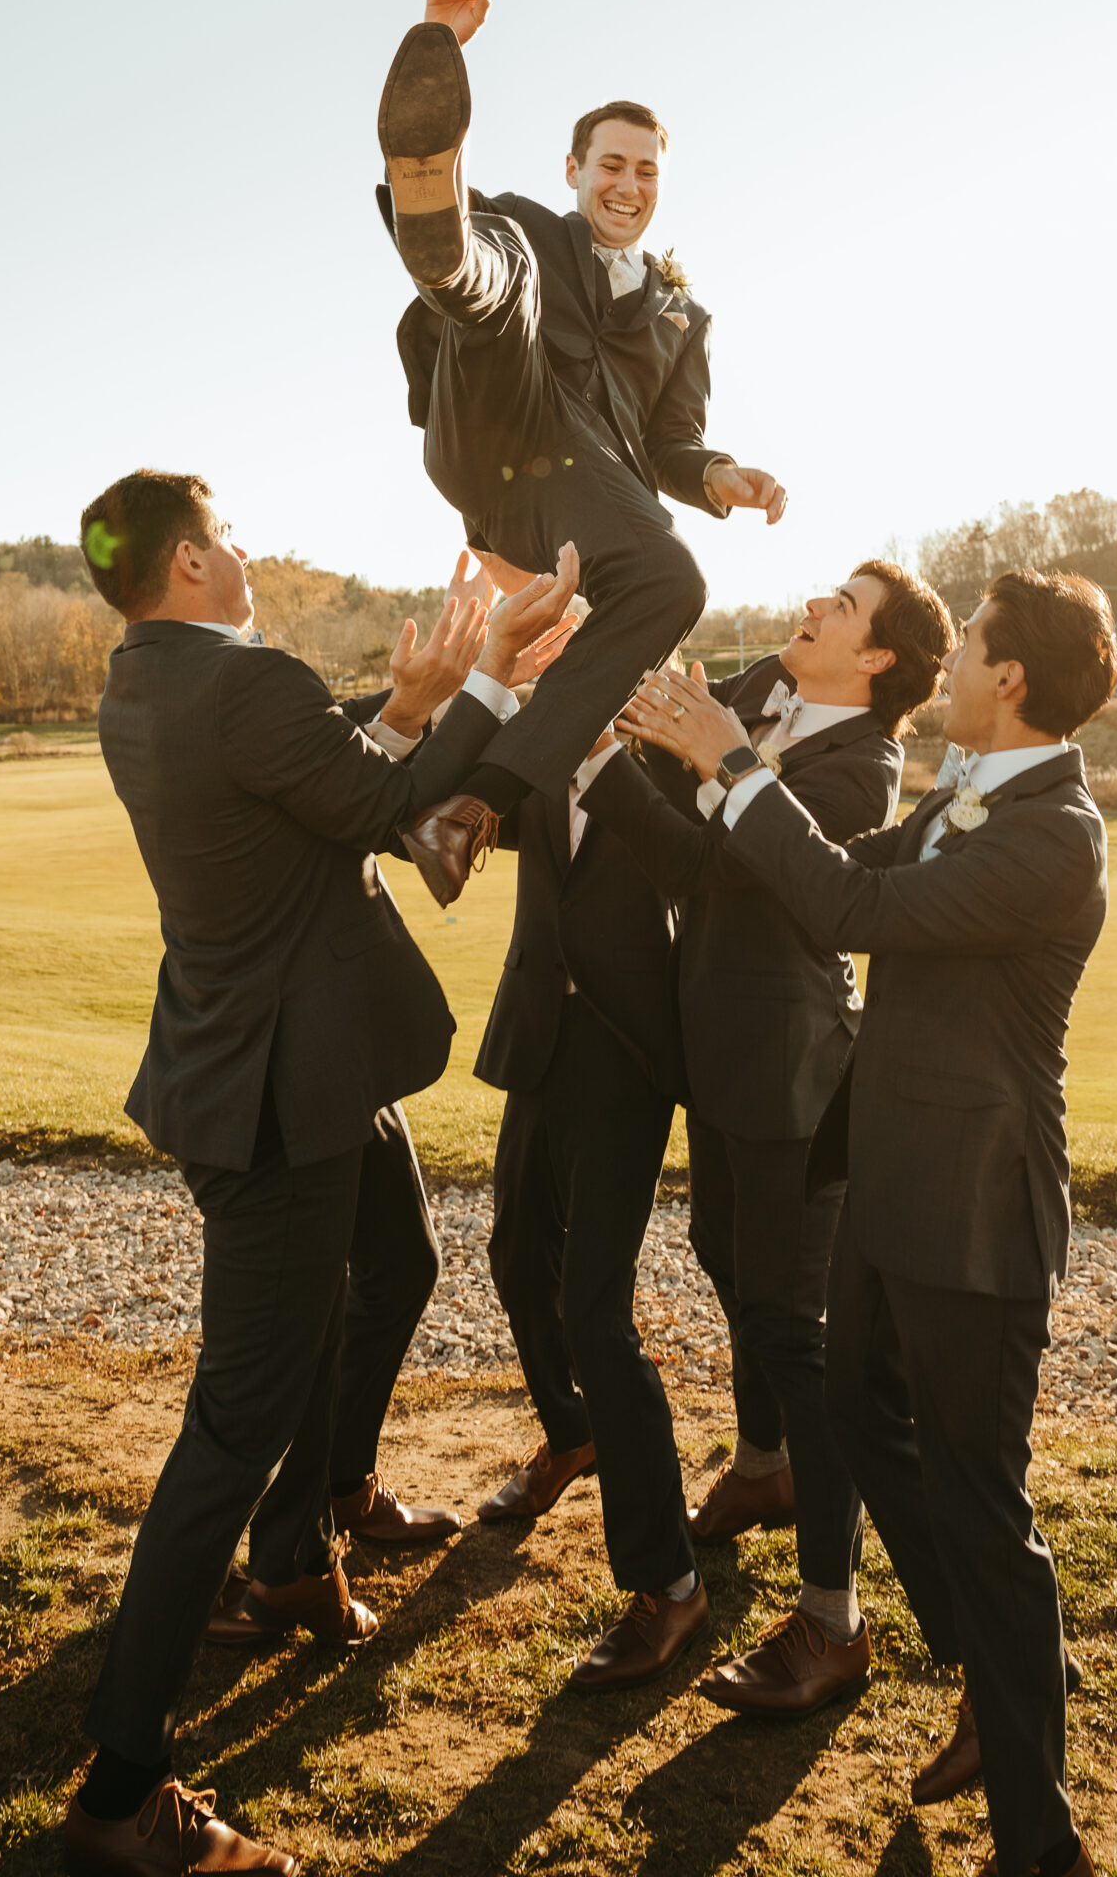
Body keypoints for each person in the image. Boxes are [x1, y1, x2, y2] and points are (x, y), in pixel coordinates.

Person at [61, 470, 574, 1877]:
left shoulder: (150, 680)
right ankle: (122, 1786)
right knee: (232, 1423)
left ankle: (295, 1552)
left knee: (399, 1260)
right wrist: (481, 676)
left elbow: (313, 772)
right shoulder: (245, 680)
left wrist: (407, 708)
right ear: (184, 563)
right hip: (281, 1095)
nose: (245, 555)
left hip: (301, 1058)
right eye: (224, 540)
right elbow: (381, 804)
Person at [620, 570, 1117, 1877]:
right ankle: (1001, 1665)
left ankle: (1036, 1839)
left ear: (1007, 682)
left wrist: (732, 762)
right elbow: (832, 872)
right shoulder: (966, 799)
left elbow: (843, 910)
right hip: (887, 1182)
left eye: (968, 661)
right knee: (850, 1409)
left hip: (971, 1212)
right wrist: (716, 765)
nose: (943, 675)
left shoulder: (1051, 835)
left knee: (978, 1498)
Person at [580, 566, 954, 1716]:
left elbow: (712, 868)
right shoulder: (756, 690)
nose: (813, 606)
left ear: (878, 660)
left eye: (842, 606)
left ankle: (835, 1620)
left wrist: (602, 768)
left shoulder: (860, 772)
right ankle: (766, 1466)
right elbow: (670, 722)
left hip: (790, 1070)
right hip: (717, 1049)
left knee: (802, 1338)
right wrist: (633, 719)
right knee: (722, 1256)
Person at [373, 0, 787, 905]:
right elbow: (500, 269)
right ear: (576, 170)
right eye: (610, 165)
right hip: (488, 415)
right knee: (502, 268)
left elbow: (674, 444)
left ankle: (469, 808)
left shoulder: (684, 319)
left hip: (581, 489)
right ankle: (443, 236)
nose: (628, 184)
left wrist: (720, 475)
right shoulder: (536, 222)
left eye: (646, 171)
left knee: (672, 574)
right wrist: (443, 40)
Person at [473, 720, 705, 1689]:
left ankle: (671, 1583)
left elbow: (692, 870)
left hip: (626, 1054)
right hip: (539, 1031)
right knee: (515, 1259)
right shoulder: (533, 737)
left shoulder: (669, 747)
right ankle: (573, 1436)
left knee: (594, 1311)